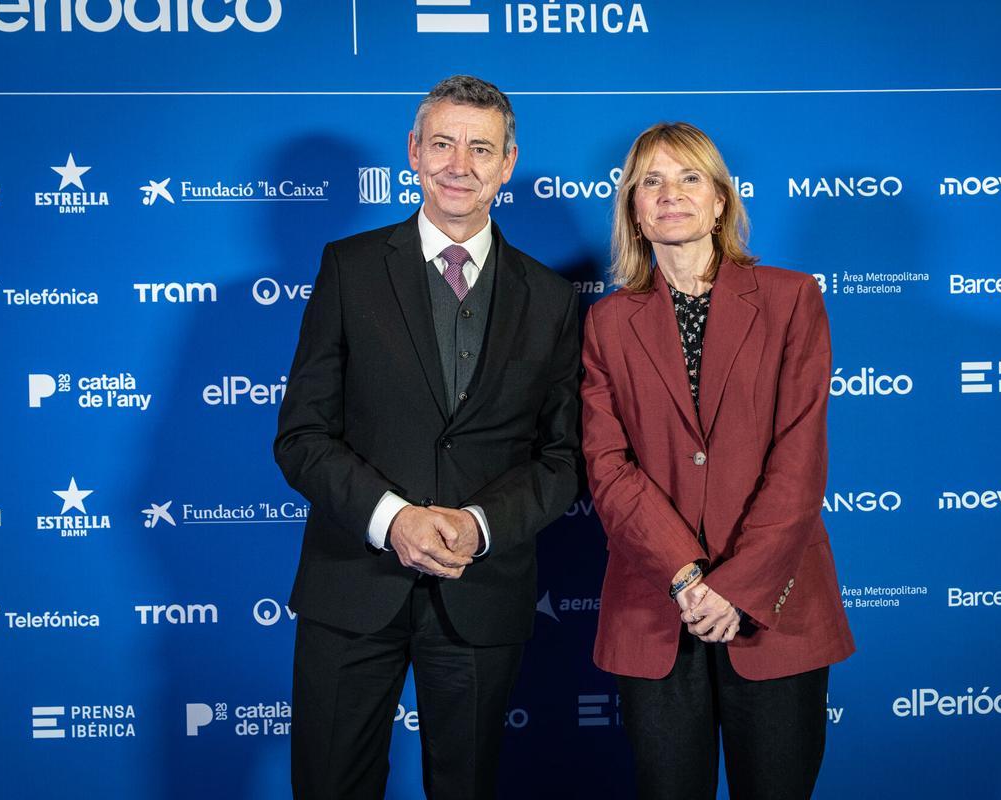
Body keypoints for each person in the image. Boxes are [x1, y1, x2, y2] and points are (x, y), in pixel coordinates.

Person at [274, 75, 580, 800]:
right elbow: (302, 435)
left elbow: (563, 458)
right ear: (412, 152)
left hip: (482, 593)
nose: (459, 164)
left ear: (509, 163)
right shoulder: (348, 269)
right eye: (442, 143)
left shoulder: (552, 297)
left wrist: (478, 527)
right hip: (352, 581)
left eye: (481, 148)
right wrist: (394, 520)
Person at [581, 122, 855, 799]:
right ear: (634, 211)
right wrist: (684, 576)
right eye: (651, 181)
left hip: (776, 605)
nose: (669, 194)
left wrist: (734, 587)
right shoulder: (607, 323)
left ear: (721, 201)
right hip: (655, 607)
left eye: (689, 178)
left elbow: (799, 456)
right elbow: (607, 464)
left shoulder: (792, 299)